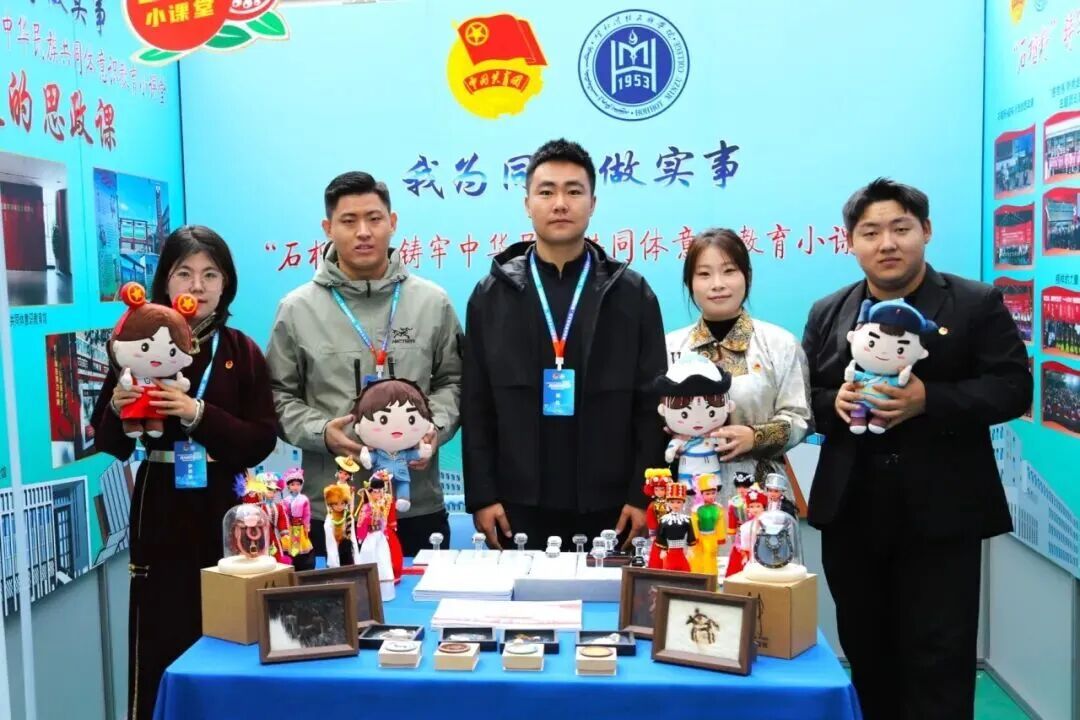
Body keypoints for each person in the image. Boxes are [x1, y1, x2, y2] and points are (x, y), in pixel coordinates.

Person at [801, 178, 1032, 720]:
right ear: (851, 242)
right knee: (866, 651)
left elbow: (1013, 388)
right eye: (870, 232)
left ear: (925, 231)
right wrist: (834, 402)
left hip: (942, 516)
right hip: (852, 512)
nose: (887, 243)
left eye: (900, 228)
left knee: (940, 659)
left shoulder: (975, 303)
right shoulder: (829, 311)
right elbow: (803, 395)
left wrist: (931, 400)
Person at [90, 225, 278, 720]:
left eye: (210, 274)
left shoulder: (241, 350)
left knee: (234, 628)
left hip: (227, 504)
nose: (197, 286)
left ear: (226, 283)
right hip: (161, 503)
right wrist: (118, 408)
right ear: (164, 281)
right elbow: (108, 444)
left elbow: (262, 439)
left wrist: (199, 415)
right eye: (184, 273)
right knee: (160, 630)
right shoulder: (136, 341)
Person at [462, 138, 667, 550]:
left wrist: (642, 495)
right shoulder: (491, 295)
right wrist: (483, 496)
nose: (560, 204)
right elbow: (476, 404)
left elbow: (652, 405)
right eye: (546, 192)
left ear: (593, 203)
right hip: (516, 504)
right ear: (527, 204)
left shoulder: (630, 293)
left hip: (611, 505)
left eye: (574, 191)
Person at [266, 171, 462, 557]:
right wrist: (323, 433)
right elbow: (277, 396)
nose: (363, 232)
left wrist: (432, 429)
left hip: (416, 507)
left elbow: (454, 381)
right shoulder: (297, 309)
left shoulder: (432, 303)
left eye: (374, 219)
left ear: (393, 222)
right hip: (333, 508)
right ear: (328, 228)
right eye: (348, 221)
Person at [666, 228, 812, 497]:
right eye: (704, 274)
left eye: (729, 271)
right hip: (687, 493)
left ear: (747, 276)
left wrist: (753, 436)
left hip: (762, 494)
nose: (717, 284)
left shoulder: (780, 344)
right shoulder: (671, 347)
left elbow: (800, 418)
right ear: (689, 283)